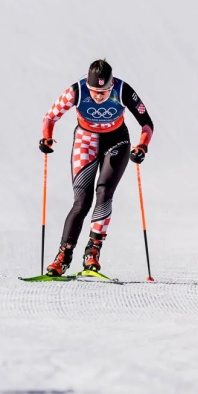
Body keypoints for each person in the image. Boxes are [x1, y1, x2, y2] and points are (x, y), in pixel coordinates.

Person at [39, 59, 154, 276]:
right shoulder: (76, 91)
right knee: (81, 202)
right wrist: (47, 137)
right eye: (94, 91)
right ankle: (63, 257)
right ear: (87, 84)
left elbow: (147, 123)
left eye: (104, 92)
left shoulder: (123, 90)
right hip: (86, 141)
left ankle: (92, 252)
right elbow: (50, 116)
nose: (99, 96)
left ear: (111, 85)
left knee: (104, 192)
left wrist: (142, 146)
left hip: (117, 141)